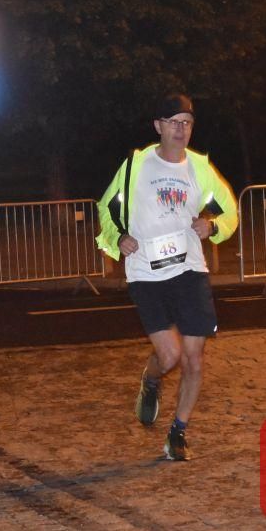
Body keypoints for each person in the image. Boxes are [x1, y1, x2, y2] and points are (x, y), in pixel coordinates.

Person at [96, 93, 238, 461]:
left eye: (187, 123)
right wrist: (118, 238)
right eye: (173, 122)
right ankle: (151, 378)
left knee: (193, 359)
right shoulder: (136, 166)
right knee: (170, 355)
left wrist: (213, 226)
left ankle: (178, 431)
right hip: (146, 273)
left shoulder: (199, 169)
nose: (181, 129)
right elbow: (107, 209)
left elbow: (228, 210)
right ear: (158, 126)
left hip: (189, 270)